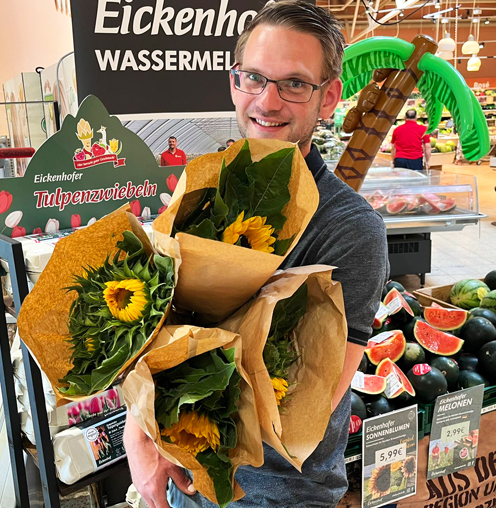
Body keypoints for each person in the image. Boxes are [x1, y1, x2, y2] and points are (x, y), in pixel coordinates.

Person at [123, 2, 388, 508]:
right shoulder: (205, 192)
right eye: (254, 78)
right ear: (234, 81)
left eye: (294, 83)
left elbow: (312, 399)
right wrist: (142, 430)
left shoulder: (351, 229)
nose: (267, 101)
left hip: (278, 493)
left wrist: (159, 435)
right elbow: (160, 323)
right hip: (189, 475)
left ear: (328, 98)